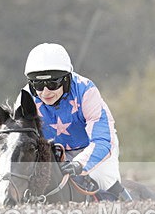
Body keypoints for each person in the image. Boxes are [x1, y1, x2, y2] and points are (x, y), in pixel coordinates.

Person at [19, 42, 132, 201]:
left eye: (52, 84)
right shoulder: (25, 97)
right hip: (55, 152)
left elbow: (102, 140)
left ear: (66, 79)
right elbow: (19, 140)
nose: (45, 92)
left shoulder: (86, 90)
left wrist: (79, 164)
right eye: (38, 84)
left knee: (103, 179)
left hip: (93, 147)